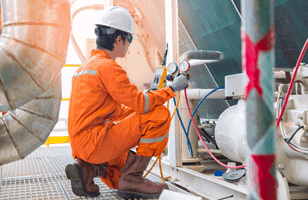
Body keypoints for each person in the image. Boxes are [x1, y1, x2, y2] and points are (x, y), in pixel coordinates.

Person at [65, 6, 189, 199]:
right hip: (95, 143)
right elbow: (141, 105)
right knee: (159, 115)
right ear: (118, 39)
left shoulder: (85, 67)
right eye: (129, 39)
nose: (129, 45)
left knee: (121, 173)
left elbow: (116, 110)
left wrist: (147, 99)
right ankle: (134, 178)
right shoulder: (108, 67)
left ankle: (88, 169)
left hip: (80, 146)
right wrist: (171, 90)